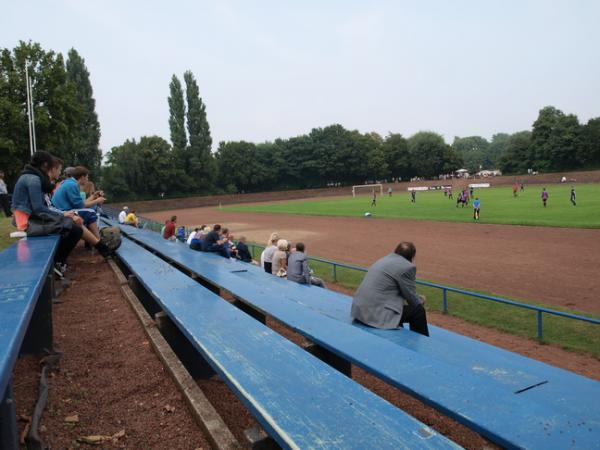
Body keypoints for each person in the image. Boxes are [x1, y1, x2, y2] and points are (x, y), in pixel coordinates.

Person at [11, 152, 117, 274]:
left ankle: (95, 249)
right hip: (28, 224)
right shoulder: (33, 180)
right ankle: (58, 262)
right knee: (74, 227)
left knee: (74, 224)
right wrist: (63, 215)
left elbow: (45, 207)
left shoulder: (34, 177)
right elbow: (39, 209)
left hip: (33, 219)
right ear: (46, 165)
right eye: (58, 169)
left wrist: (65, 214)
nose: (60, 173)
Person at [351, 242, 429, 336]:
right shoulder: (408, 267)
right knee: (418, 311)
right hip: (375, 315)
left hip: (359, 311)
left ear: (396, 251)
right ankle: (422, 343)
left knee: (399, 307)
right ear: (412, 256)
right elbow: (411, 298)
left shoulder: (384, 259)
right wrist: (421, 300)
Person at [52, 166, 105, 239]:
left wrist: (93, 196)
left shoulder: (69, 182)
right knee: (91, 212)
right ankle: (98, 240)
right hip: (62, 212)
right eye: (87, 177)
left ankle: (95, 239)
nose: (87, 179)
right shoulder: (72, 185)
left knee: (90, 211)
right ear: (82, 177)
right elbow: (81, 206)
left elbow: (80, 204)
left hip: (61, 210)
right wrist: (97, 201)